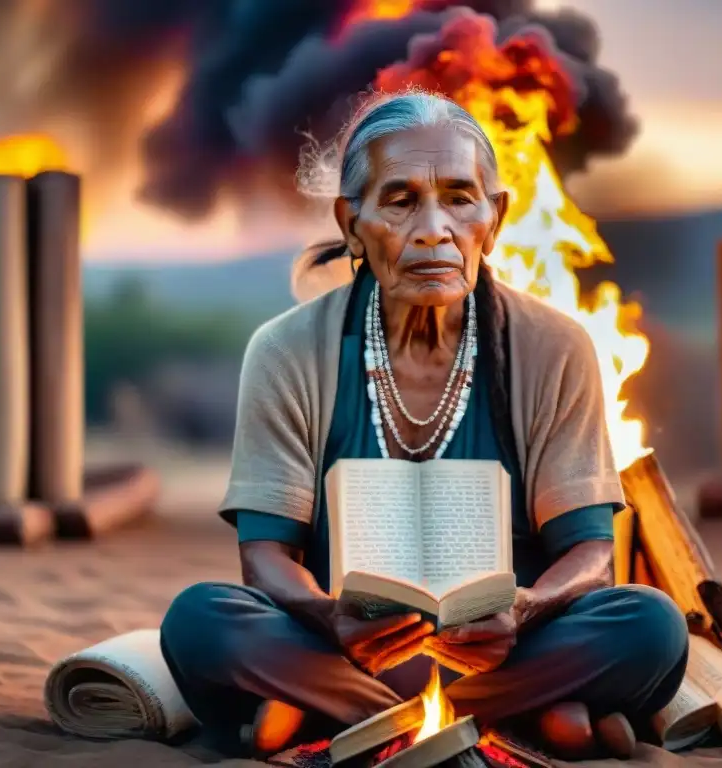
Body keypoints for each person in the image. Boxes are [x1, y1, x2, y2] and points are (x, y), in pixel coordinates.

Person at [159, 90, 689, 760]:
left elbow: (590, 552)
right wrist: (330, 615)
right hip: (342, 643)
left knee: (649, 626)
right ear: (351, 223)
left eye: (460, 198)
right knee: (201, 621)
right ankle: (519, 717)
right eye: (401, 200)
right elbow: (265, 557)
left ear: (494, 219)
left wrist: (525, 609)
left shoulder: (556, 346)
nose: (434, 228)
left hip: (507, 648)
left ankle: (342, 713)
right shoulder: (286, 350)